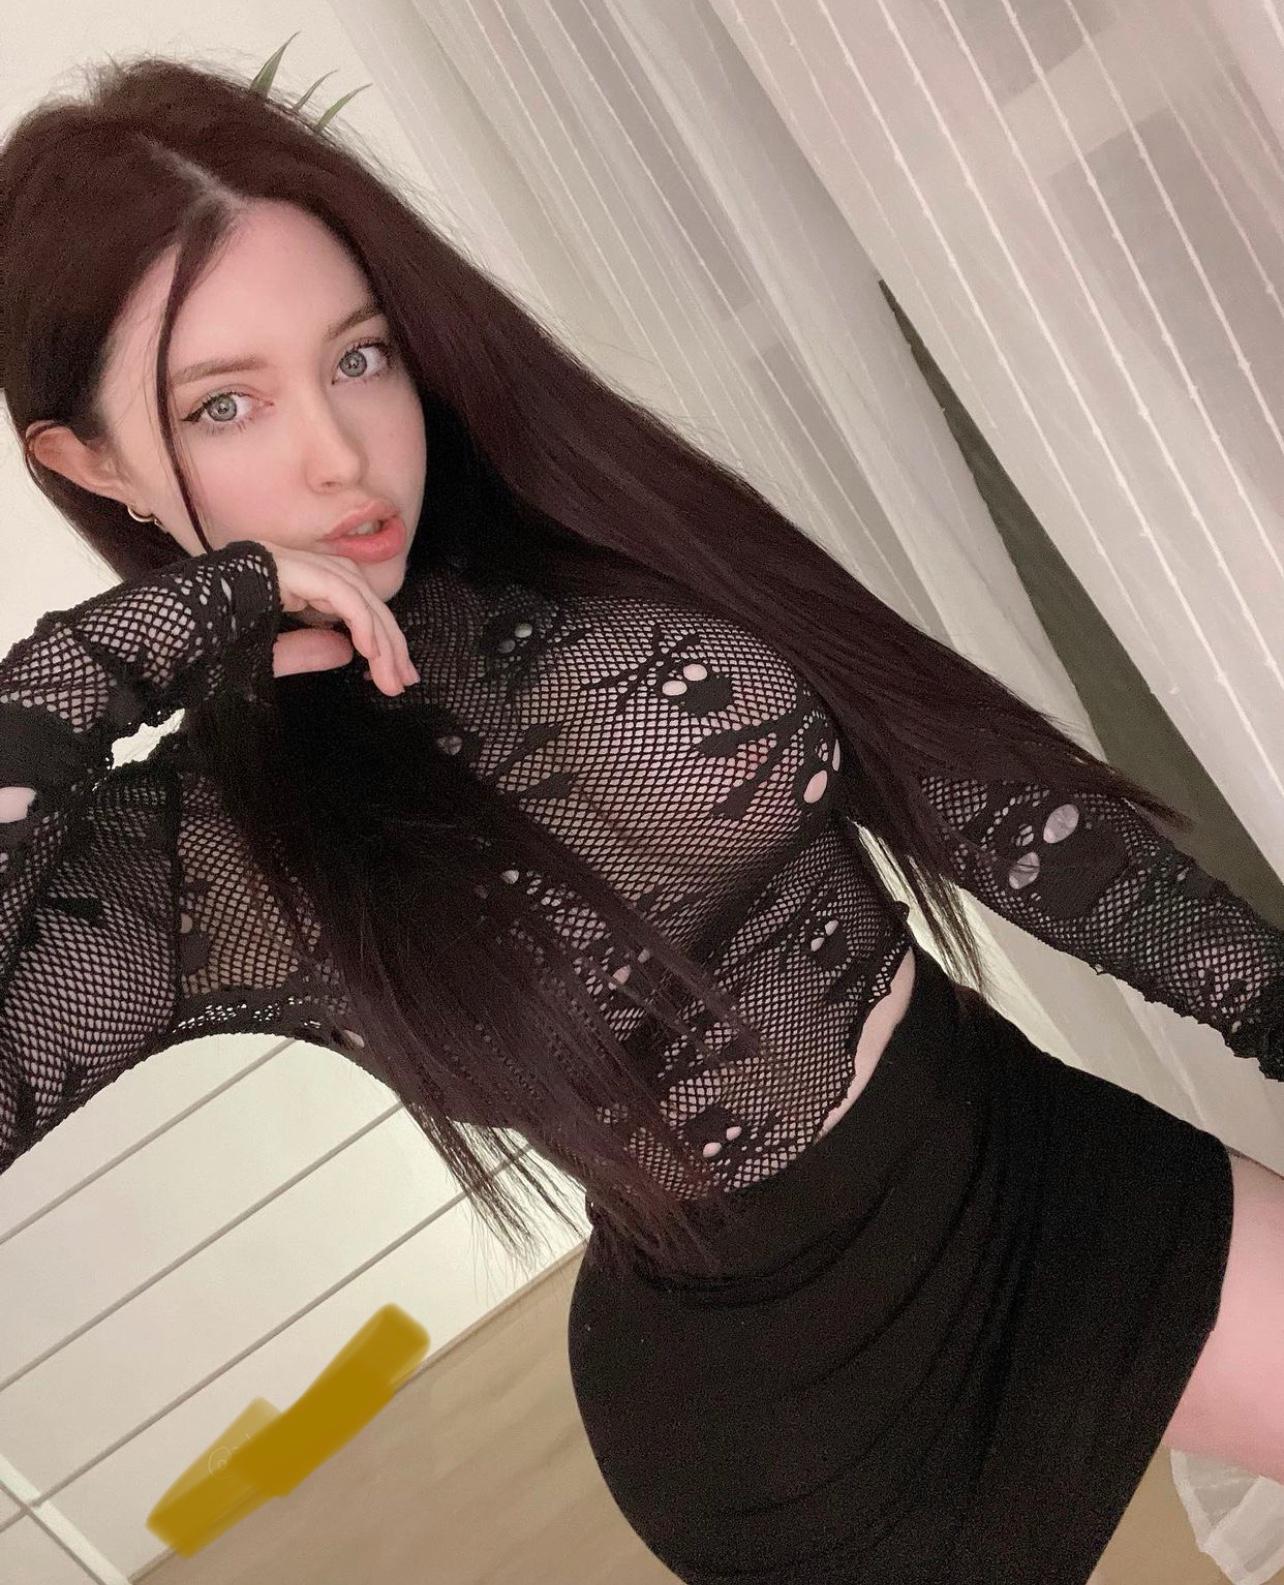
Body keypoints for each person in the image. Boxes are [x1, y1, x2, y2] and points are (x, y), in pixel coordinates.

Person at [2, 52, 1282, 1585]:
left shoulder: (583, 518)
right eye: (225, 404)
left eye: (359, 357)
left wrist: (1268, 999)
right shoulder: (190, 856)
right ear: (90, 462)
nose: (339, 455)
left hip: (1039, 1165)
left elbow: (988, 800)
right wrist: (125, 646)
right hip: (788, 1434)